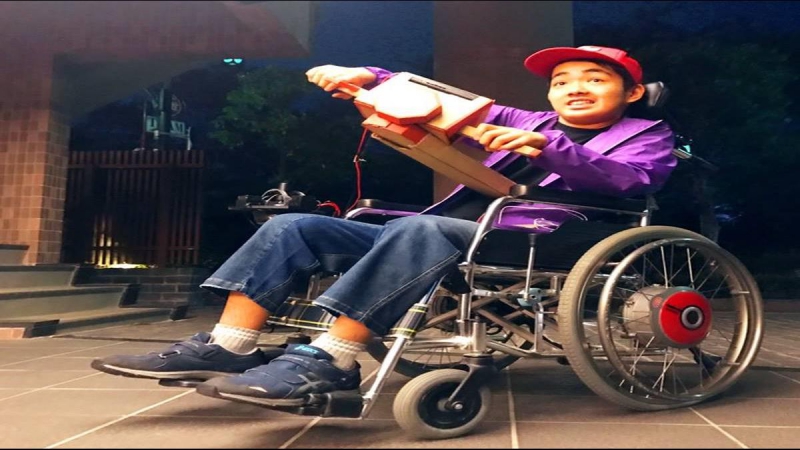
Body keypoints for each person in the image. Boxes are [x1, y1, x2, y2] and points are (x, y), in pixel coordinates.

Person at [91, 45, 677, 408]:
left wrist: (548, 149)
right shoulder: (529, 118)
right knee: (295, 226)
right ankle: (228, 346)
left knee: (419, 231)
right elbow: (439, 98)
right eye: (562, 80)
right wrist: (365, 76)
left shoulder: (648, 136)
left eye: (594, 78)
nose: (574, 87)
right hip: (453, 229)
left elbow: (628, 181)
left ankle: (331, 359)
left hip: (544, 240)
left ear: (630, 92)